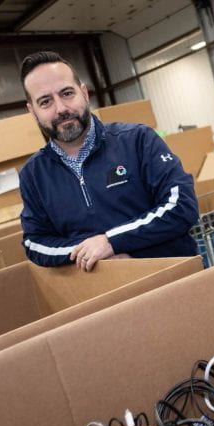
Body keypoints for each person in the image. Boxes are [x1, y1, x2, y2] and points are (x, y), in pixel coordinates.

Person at [18, 51, 199, 271]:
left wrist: (111, 242)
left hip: (175, 282)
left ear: (84, 93)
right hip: (105, 293)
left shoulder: (137, 141)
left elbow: (181, 206)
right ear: (33, 112)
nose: (61, 109)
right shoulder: (34, 174)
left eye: (67, 93)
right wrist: (88, 251)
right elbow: (35, 243)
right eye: (45, 102)